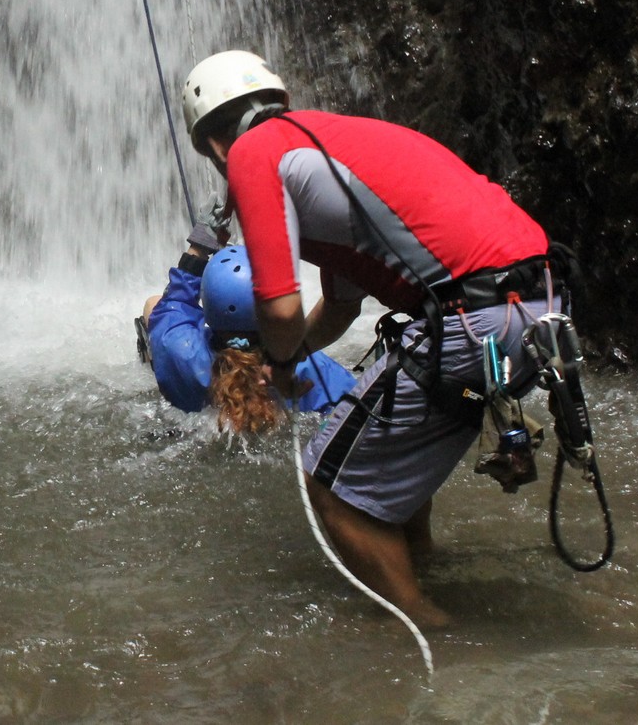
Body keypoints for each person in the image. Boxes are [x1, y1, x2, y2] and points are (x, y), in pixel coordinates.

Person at [179, 49, 569, 628]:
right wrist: (289, 356)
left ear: (214, 144)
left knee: (332, 487)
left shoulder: (253, 154)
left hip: (473, 316)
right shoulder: (329, 144)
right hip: (541, 304)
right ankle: (423, 574)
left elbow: (280, 307)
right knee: (386, 472)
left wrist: (279, 364)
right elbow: (340, 306)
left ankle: (424, 630)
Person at [140, 227, 356, 432]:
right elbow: (353, 406)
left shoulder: (179, 348)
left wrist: (200, 244)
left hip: (193, 415)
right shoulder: (309, 367)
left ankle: (159, 367)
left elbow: (174, 304)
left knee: (154, 305)